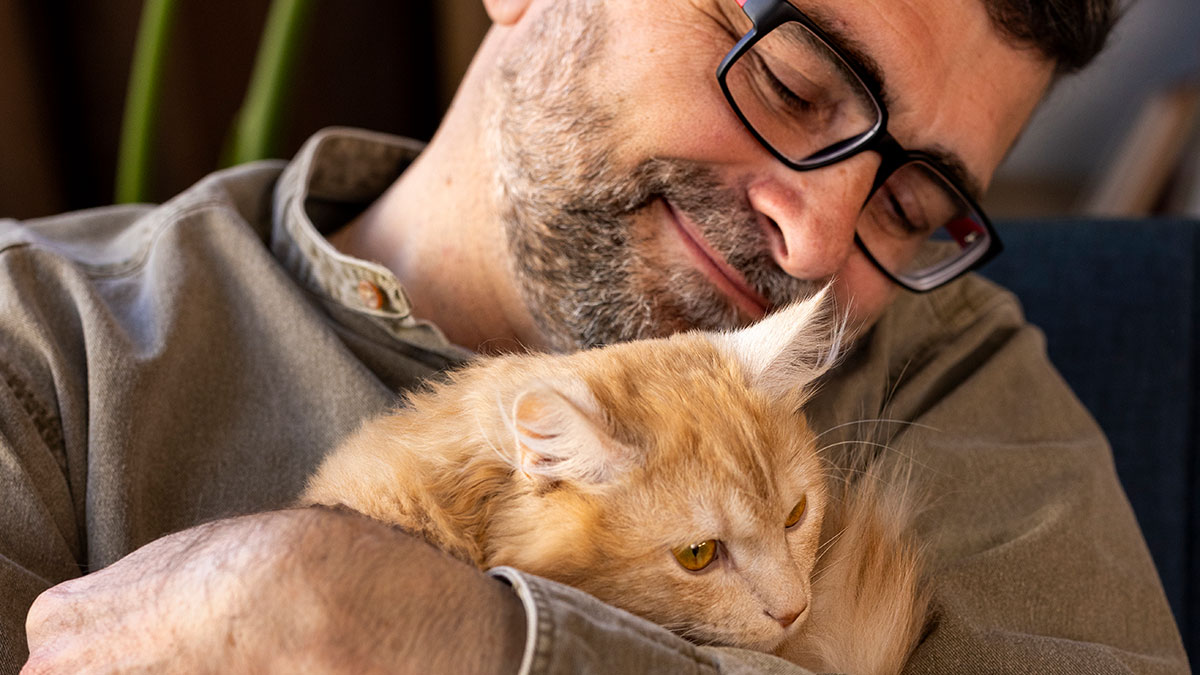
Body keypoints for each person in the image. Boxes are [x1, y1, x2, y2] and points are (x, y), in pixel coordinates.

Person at [2, 0, 1189, 672]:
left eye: (912, 205)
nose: (819, 244)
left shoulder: (948, 370)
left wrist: (478, 645)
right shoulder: (43, 343)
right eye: (786, 83)